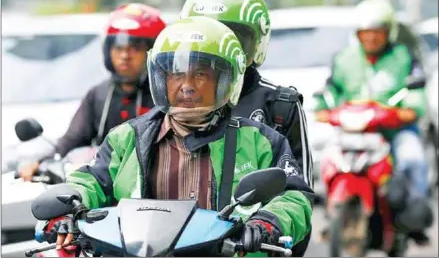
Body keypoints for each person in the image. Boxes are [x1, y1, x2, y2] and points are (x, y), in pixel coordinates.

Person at [43, 16, 314, 256]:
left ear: (226, 79)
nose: (186, 86)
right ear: (161, 79)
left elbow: (294, 197)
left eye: (200, 75)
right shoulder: (126, 138)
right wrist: (66, 208)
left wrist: (266, 222)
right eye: (176, 74)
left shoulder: (260, 141)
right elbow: (89, 180)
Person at [314, 0, 433, 246]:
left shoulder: (404, 57)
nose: (371, 38)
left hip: (394, 131)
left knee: (412, 159)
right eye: (365, 33)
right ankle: (330, 214)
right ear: (357, 34)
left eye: (376, 33)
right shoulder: (345, 58)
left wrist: (402, 111)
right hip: (353, 132)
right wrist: (324, 108)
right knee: (326, 161)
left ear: (388, 32)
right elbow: (330, 92)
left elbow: (416, 99)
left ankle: (412, 218)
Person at [179, 0, 314, 192]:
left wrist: (265, 224)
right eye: (208, 39)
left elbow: (299, 193)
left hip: (256, 223)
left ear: (258, 40)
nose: (222, 52)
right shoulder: (176, 99)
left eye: (234, 39)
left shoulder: (280, 105)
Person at [19, 3, 166, 181]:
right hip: (106, 186)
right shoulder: (98, 94)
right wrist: (40, 161)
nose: (125, 55)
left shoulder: (165, 95)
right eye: (118, 47)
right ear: (108, 50)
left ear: (153, 51)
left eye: (135, 47)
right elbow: (72, 138)